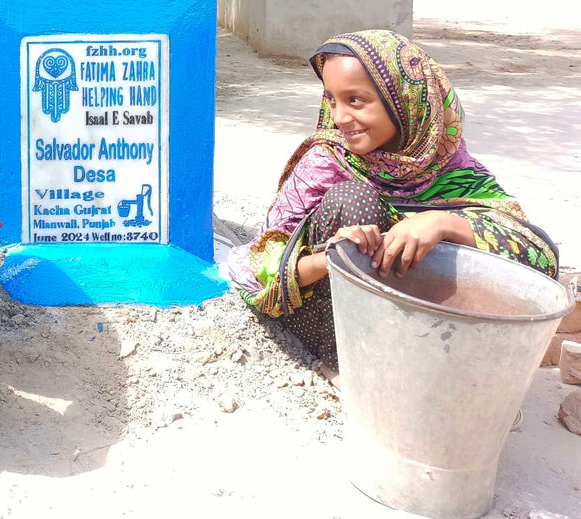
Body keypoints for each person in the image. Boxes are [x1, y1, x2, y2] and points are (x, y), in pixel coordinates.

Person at [228, 29, 559, 372]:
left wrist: (442, 224)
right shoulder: (326, 162)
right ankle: (345, 367)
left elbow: (538, 262)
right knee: (353, 200)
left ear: (403, 102)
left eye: (355, 100)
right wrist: (334, 259)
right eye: (332, 100)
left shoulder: (452, 170)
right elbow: (251, 268)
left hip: (424, 330)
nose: (339, 117)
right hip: (331, 323)